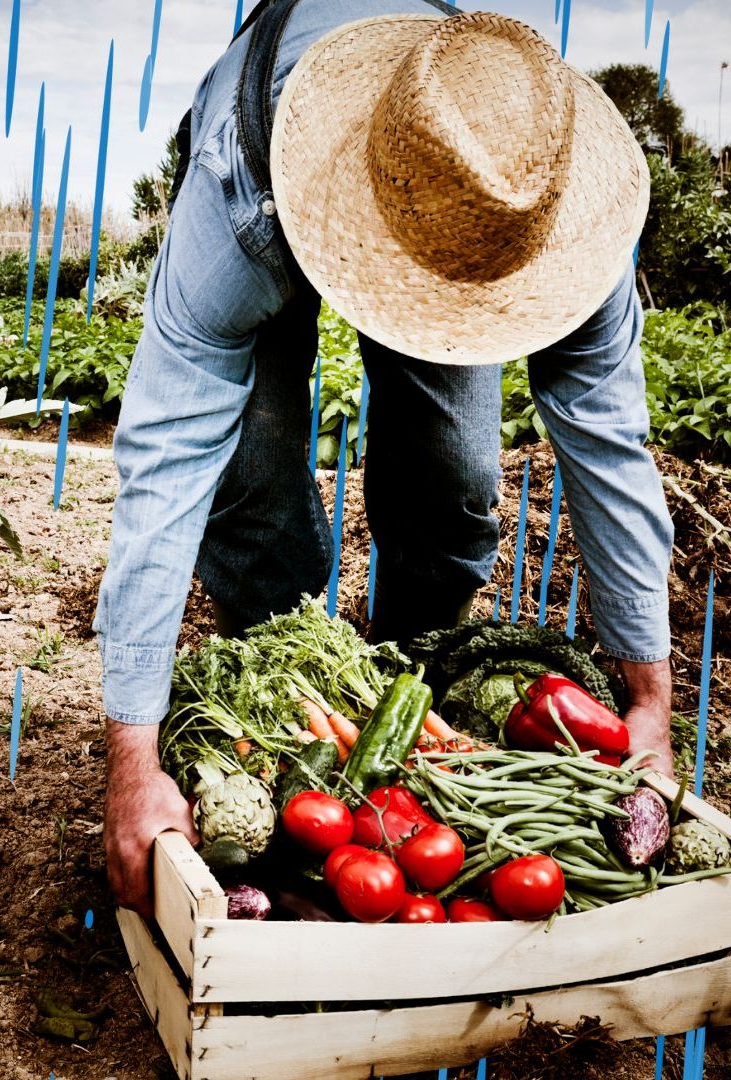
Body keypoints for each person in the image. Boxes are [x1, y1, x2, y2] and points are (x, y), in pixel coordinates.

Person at [94, 1, 676, 916]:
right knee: (251, 493)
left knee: (454, 484)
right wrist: (131, 756)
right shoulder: (239, 196)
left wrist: (651, 697)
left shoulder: (546, 205)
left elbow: (608, 443)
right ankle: (281, 711)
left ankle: (406, 707)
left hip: (455, 206)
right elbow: (167, 454)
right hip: (285, 178)